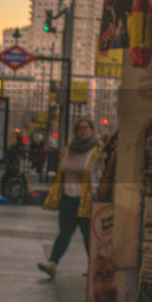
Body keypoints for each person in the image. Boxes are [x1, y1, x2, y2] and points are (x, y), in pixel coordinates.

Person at [38, 119, 103, 279]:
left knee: (88, 235)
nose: (83, 130)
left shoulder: (97, 151)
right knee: (64, 232)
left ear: (92, 130)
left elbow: (99, 175)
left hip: (85, 199)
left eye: (86, 128)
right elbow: (62, 172)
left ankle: (93, 266)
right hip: (67, 197)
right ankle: (52, 263)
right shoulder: (68, 149)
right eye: (79, 128)